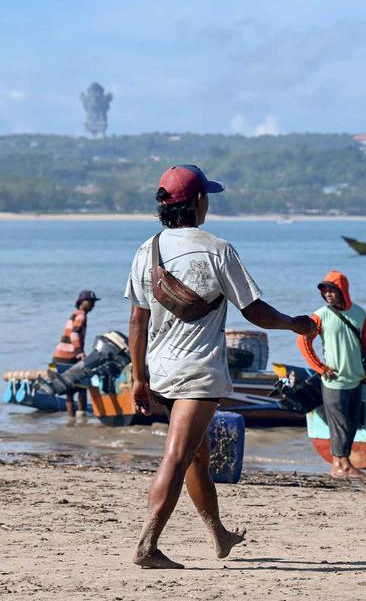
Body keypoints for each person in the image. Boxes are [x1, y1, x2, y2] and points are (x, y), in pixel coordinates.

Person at [125, 164, 314, 569]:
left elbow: (137, 322)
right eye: (206, 196)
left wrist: (139, 378)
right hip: (197, 373)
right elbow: (254, 310)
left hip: (160, 371)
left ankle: (218, 534)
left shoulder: (147, 250)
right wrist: (293, 324)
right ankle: (147, 544)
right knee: (178, 454)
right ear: (197, 202)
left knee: (196, 457)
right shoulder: (216, 249)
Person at [298, 270, 366, 479]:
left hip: (355, 377)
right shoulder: (320, 315)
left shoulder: (359, 314)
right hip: (333, 381)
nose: (328, 294)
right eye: (325, 291)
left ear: (343, 291)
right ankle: (344, 465)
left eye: (332, 290)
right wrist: (320, 367)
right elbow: (303, 341)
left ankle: (338, 466)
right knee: (340, 424)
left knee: (352, 422)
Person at [51, 289, 100, 419]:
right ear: (81, 302)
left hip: (58, 357)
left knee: (68, 390)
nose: (92, 305)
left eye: (93, 302)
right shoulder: (81, 315)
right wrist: (80, 353)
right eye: (89, 302)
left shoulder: (74, 314)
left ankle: (71, 421)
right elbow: (74, 334)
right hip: (69, 357)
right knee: (82, 387)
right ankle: (81, 419)